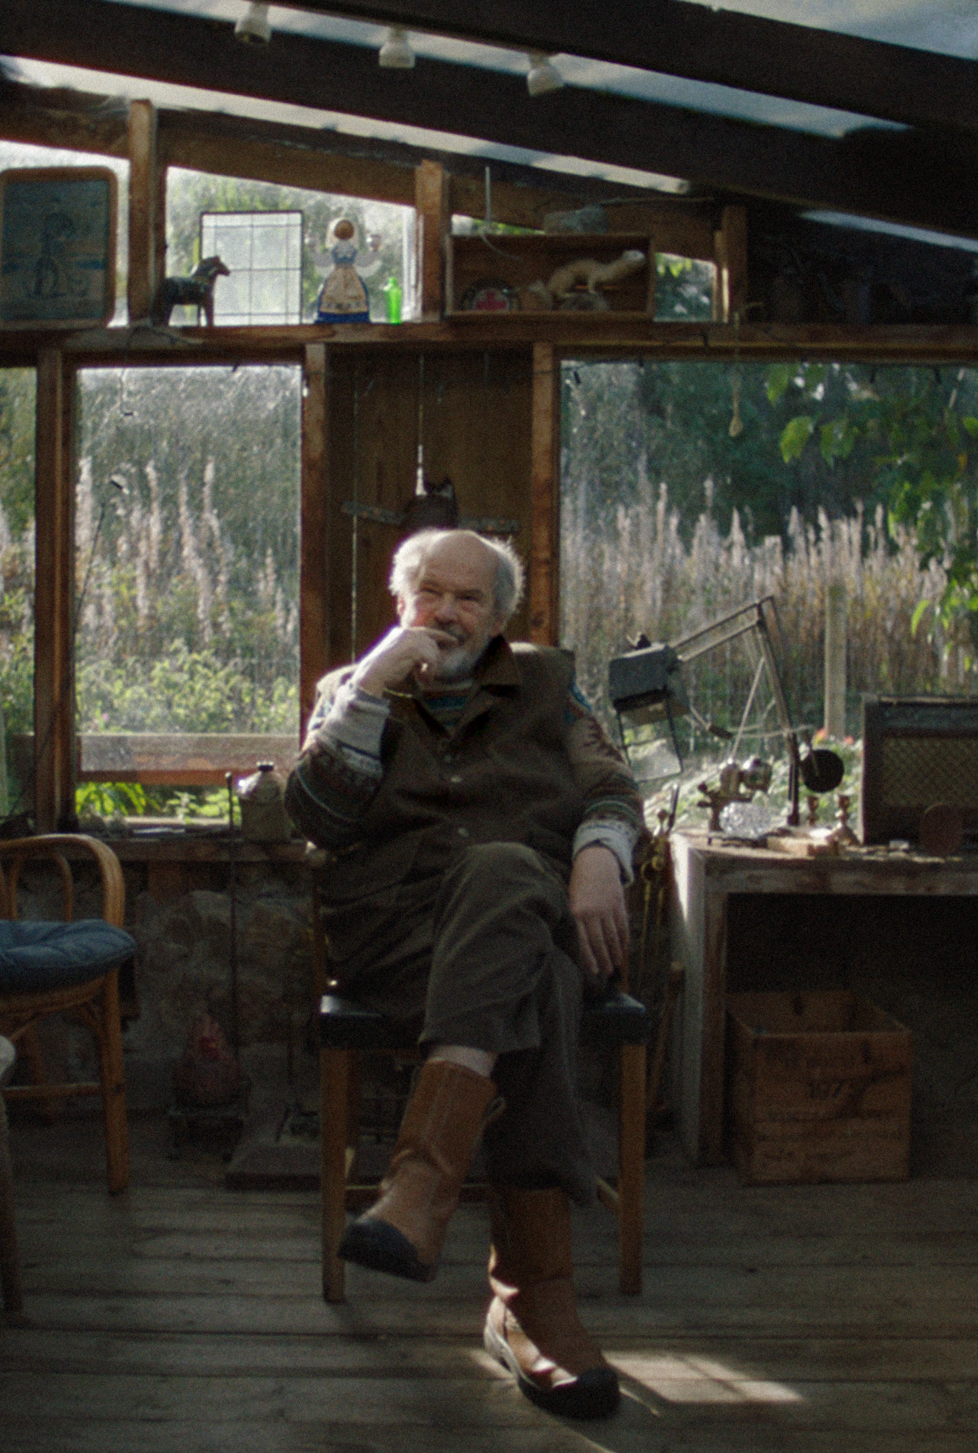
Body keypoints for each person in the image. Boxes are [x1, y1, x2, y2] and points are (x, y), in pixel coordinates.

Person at [285, 528, 643, 1421]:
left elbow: (611, 782)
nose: (445, 612)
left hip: (518, 927)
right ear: (401, 602)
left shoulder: (550, 687)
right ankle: (533, 1300)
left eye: (468, 598)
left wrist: (602, 853)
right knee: (540, 966)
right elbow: (317, 818)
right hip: (397, 944)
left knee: (513, 883)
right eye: (429, 594)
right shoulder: (351, 690)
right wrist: (370, 687)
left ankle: (420, 1188)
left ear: (498, 617)